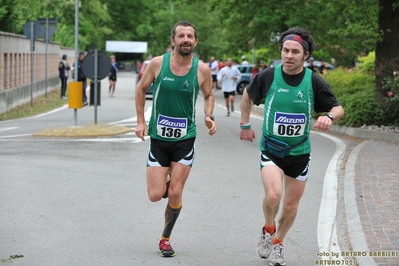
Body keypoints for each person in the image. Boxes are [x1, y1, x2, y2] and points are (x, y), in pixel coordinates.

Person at [239, 27, 344, 266]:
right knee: (274, 195)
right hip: (272, 148)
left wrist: (328, 116)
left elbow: (339, 108)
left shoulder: (313, 81)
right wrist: (245, 124)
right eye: (285, 50)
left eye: (295, 51)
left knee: (290, 206)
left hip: (299, 152)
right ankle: (268, 228)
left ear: (305, 55)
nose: (289, 55)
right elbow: (247, 94)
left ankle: (278, 242)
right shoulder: (268, 76)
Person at [135, 20, 216, 258]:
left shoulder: (202, 70)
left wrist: (209, 115)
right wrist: (141, 122)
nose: (186, 40)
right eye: (181, 36)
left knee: (176, 193)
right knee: (154, 195)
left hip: (185, 139)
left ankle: (165, 239)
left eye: (190, 36)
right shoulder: (157, 64)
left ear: (195, 41)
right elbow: (141, 89)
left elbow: (209, 95)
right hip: (159, 138)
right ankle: (166, 177)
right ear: (173, 40)